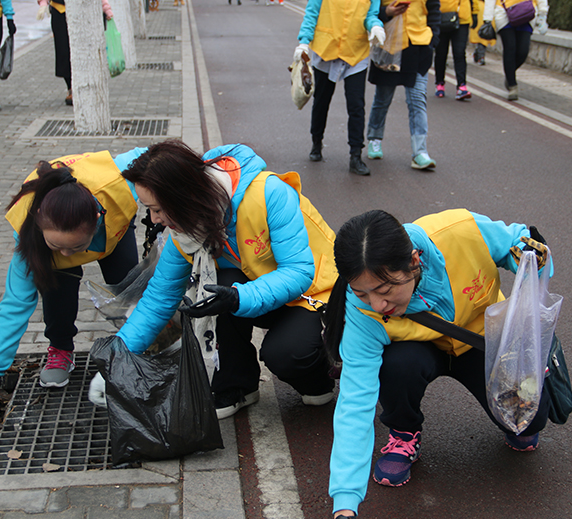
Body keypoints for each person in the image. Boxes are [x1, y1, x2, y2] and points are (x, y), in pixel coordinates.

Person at [322, 209, 553, 519]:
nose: (377, 305)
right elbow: (354, 404)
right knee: (398, 365)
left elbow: (520, 244)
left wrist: (532, 259)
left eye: (385, 291)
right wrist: (344, 509)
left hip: (479, 340)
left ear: (414, 260)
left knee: (529, 422)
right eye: (363, 293)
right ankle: (404, 432)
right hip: (417, 350)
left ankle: (515, 412)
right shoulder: (362, 313)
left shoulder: (461, 231)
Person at [110, 140, 338, 419]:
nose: (155, 219)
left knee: (288, 355)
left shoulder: (269, 193)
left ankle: (319, 374)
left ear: (182, 196)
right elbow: (159, 297)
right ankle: (236, 385)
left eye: (157, 208)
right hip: (257, 294)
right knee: (218, 283)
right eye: (149, 209)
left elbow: (299, 273)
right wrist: (117, 356)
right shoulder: (187, 230)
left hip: (317, 295)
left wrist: (239, 298)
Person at [0, 149, 145, 427]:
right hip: (50, 235)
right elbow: (13, 311)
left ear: (96, 220)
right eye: (58, 245)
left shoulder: (118, 185)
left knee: (129, 291)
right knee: (57, 292)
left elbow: (159, 160)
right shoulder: (30, 237)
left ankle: (138, 349)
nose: (68, 255)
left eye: (76, 247)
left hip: (112, 227)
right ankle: (60, 349)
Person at [294, 0, 385, 176]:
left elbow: (370, 15)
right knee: (321, 101)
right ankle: (316, 141)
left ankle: (355, 155)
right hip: (326, 48)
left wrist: (375, 26)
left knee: (356, 105)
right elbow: (312, 13)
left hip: (355, 51)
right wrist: (304, 41)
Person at [365, 0, 441, 171]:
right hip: (390, 47)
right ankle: (374, 139)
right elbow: (370, 12)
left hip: (419, 46)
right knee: (383, 98)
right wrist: (387, 12)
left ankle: (420, 152)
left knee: (417, 100)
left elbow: (434, 10)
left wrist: (433, 38)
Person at [37, 0, 114, 106]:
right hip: (59, 11)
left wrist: (106, 9)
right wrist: (43, 4)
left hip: (82, 13)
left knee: (84, 52)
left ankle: (85, 86)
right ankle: (71, 88)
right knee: (63, 51)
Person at [483, 0, 548, 101]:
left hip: (526, 13)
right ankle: (512, 85)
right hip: (504, 14)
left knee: (523, 52)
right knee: (510, 48)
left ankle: (509, 74)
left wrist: (542, 13)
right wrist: (487, 19)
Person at [434, 0, 478, 100]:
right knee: (441, 53)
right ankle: (439, 83)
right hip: (441, 16)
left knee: (459, 53)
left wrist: (475, 12)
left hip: (462, 18)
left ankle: (461, 86)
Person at [469, 0, 493, 65]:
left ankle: (478, 53)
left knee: (486, 33)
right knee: (483, 34)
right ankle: (480, 55)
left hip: (490, 8)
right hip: (479, 8)